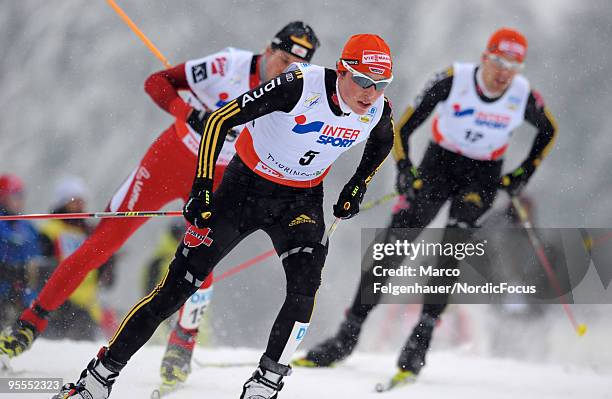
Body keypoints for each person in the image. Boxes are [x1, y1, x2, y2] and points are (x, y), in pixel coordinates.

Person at [52, 33, 396, 399]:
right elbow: (218, 121)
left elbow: (382, 141)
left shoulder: (377, 110)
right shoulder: (299, 85)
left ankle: (265, 386)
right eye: (362, 81)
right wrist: (201, 188)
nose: (370, 93)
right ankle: (96, 379)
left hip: (301, 201)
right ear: (342, 71)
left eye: (380, 85)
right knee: (176, 289)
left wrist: (357, 186)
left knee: (305, 286)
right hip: (243, 190)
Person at [0, 21, 319, 391]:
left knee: (203, 253)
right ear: (268, 50)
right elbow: (157, 82)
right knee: (104, 242)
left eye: (296, 67)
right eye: (281, 60)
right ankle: (28, 324)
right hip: (172, 159)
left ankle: (182, 343)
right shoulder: (227, 66)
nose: (285, 71)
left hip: (219, 175)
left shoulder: (298, 91)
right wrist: (188, 113)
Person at [294, 27, 558, 390]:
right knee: (393, 247)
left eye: (513, 65)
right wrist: (405, 170)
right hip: (439, 167)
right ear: (485, 57)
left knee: (451, 253)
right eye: (498, 61)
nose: (503, 72)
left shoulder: (523, 95)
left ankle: (420, 343)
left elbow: (549, 131)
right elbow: (403, 126)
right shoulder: (454, 80)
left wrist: (521, 175)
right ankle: (346, 336)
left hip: (482, 177)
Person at [37, 177, 117, 341]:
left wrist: (108, 263)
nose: (80, 206)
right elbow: (43, 268)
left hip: (88, 307)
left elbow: (104, 277)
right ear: (62, 202)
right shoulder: (51, 230)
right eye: (74, 201)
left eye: (82, 201)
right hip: (60, 303)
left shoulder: (89, 232)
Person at [0, 174, 42, 332]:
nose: (19, 200)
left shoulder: (27, 225)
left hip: (24, 293)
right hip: (4, 291)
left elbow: (37, 254)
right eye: (14, 196)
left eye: (21, 195)